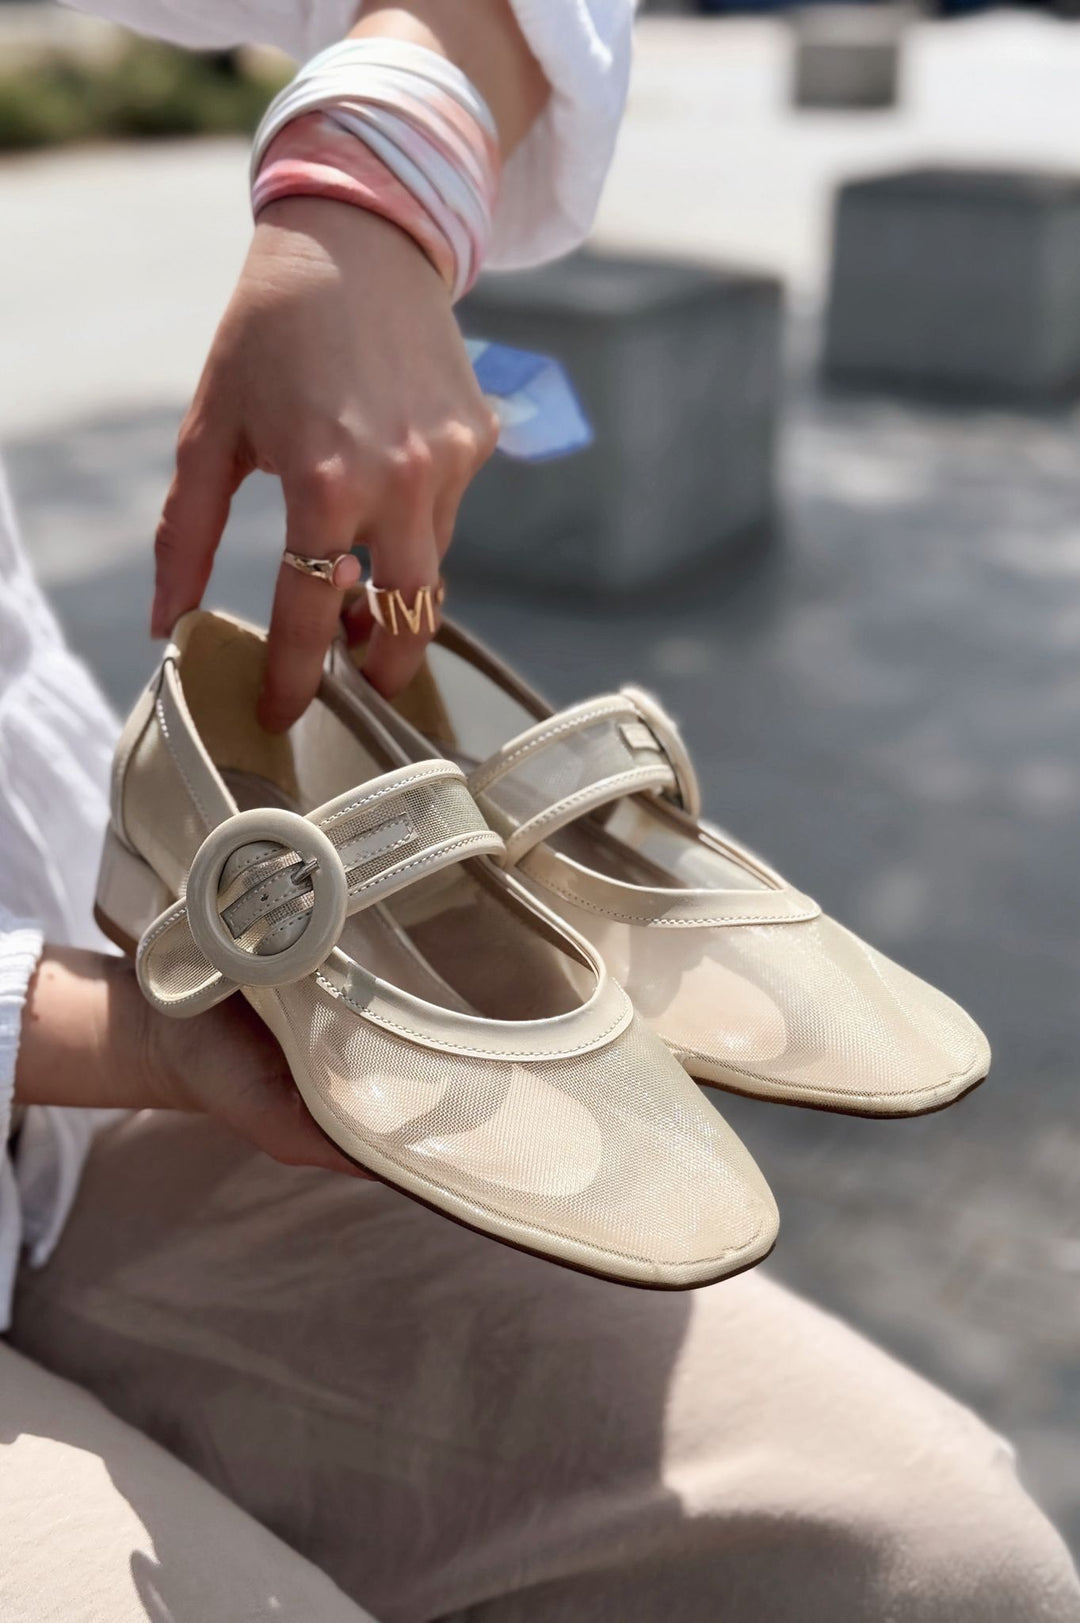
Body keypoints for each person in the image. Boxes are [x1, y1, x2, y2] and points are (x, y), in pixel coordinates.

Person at [1, 3, 1078, 1620]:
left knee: (936, 1569)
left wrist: (377, 178)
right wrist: (110, 1038)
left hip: (74, 1122)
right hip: (82, 1055)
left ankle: (257, 799)